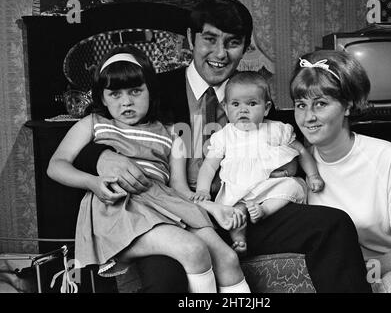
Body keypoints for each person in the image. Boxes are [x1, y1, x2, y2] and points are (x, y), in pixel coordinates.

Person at [74, 0, 372, 293]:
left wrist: (289, 170)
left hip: (246, 210)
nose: (220, 53)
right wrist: (99, 156)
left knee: (333, 225)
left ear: (245, 47)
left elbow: (293, 143)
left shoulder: (258, 98)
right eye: (210, 39)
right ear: (191, 39)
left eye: (232, 42)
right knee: (165, 279)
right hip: (177, 216)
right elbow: (94, 127)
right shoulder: (152, 90)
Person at [47, 46, 251, 293]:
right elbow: (56, 166)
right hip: (121, 209)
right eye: (115, 94)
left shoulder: (174, 132)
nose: (126, 102)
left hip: (166, 203)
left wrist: (213, 207)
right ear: (102, 97)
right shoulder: (93, 124)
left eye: (135, 91)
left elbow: (178, 189)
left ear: (150, 91)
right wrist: (91, 182)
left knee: (227, 258)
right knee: (193, 249)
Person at [290, 49, 391, 293]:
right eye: (301, 105)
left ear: (347, 106)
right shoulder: (296, 164)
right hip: (340, 276)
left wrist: (358, 273)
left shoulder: (390, 159)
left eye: (321, 104)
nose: (308, 117)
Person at [192, 71, 324, 254]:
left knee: (292, 186)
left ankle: (265, 210)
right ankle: (238, 238)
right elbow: (209, 166)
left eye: (252, 104)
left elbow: (301, 151)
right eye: (235, 104)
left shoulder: (277, 129)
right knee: (234, 211)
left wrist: (313, 175)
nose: (243, 110)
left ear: (266, 107)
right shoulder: (223, 136)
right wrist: (203, 190)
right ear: (225, 107)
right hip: (239, 189)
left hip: (270, 187)